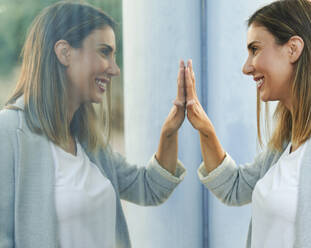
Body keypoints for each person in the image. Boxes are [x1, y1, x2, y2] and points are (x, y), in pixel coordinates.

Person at [183, 0, 311, 247]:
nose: (246, 67)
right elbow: (235, 188)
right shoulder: (288, 136)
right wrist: (204, 129)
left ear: (293, 49)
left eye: (255, 49)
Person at [0, 2, 187, 247]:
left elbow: (149, 188)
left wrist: (170, 132)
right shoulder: (9, 131)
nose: (115, 69)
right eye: (104, 52)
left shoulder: (87, 140)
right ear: (64, 52)